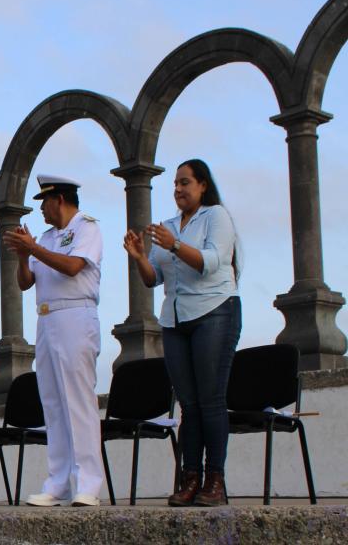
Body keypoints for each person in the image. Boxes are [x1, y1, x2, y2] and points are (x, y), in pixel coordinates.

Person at [123, 159, 241, 507]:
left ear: (202, 185)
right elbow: (153, 279)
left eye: (185, 182)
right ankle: (190, 479)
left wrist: (174, 245)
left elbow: (210, 262)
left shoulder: (216, 216)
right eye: (175, 184)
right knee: (188, 404)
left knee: (211, 400)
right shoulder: (169, 226)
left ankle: (214, 480)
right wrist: (140, 256)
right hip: (175, 320)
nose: (178, 189)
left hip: (214, 310)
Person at [3, 175, 104, 508]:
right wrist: (23, 254)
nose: (41, 208)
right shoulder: (46, 237)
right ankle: (58, 481)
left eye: (44, 201)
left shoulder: (86, 228)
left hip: (76, 315)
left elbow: (74, 267)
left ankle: (87, 483)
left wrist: (34, 248)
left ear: (59, 199)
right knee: (54, 404)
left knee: (78, 401)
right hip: (46, 319)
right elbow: (25, 282)